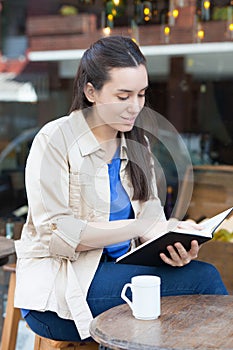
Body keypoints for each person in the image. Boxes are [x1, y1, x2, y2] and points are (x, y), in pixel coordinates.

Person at [14, 35, 228, 342]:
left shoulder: (137, 144)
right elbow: (60, 236)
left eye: (141, 95)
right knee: (202, 282)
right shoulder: (55, 140)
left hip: (119, 274)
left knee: (193, 276)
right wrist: (135, 226)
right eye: (123, 95)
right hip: (60, 294)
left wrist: (175, 243)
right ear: (91, 91)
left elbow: (150, 223)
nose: (135, 106)